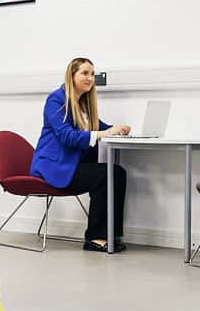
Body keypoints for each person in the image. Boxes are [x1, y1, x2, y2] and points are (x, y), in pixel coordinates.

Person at [29, 56, 130, 253]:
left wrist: (116, 129)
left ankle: (110, 234)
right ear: (71, 75)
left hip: (72, 164)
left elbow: (98, 128)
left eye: (92, 74)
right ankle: (94, 238)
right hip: (54, 167)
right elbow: (67, 136)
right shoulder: (56, 99)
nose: (90, 78)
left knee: (117, 172)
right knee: (106, 175)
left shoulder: (83, 104)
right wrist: (103, 133)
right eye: (84, 73)